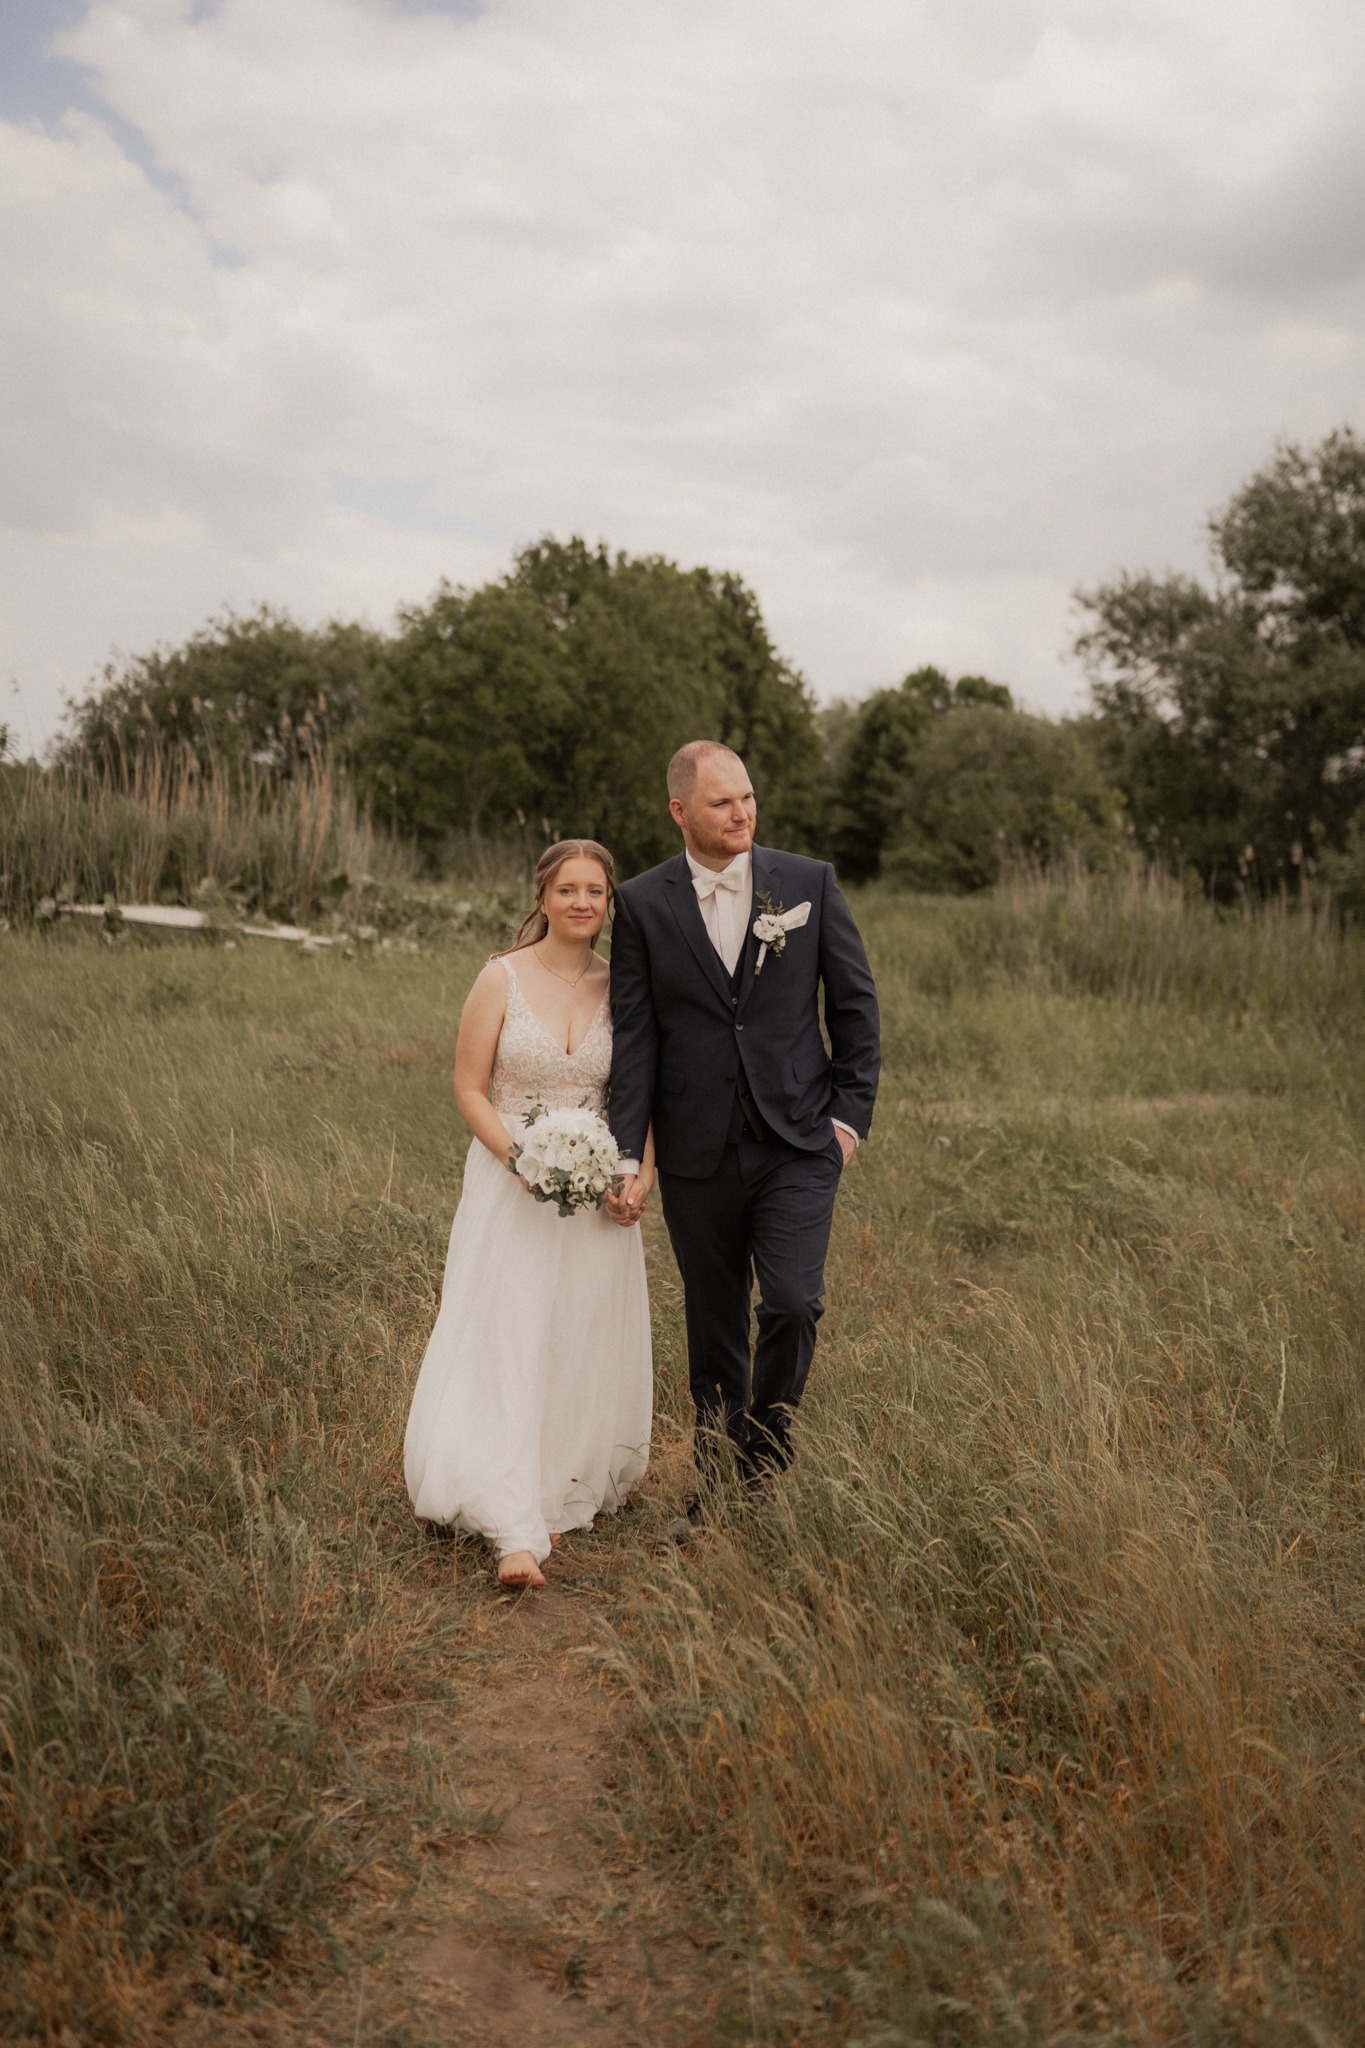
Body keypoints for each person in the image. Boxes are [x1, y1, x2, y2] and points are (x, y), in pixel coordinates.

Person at [606, 743, 879, 1511]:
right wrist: (627, 1153)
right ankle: (719, 1485)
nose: (741, 813)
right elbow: (635, 1038)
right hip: (695, 1147)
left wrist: (846, 1121)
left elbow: (854, 1007)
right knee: (714, 1324)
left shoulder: (807, 882)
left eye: (748, 797)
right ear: (680, 811)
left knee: (792, 1303)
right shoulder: (642, 903)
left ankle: (763, 1460)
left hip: (798, 1139)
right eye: (722, 802)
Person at [405, 840, 653, 1587]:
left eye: (595, 891)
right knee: (507, 1333)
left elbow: (638, 1093)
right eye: (568, 889)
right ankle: (509, 1522)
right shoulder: (500, 977)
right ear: (543, 896)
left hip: (594, 1188)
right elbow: (469, 1088)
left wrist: (637, 1175)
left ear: (609, 902)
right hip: (510, 1182)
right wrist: (520, 1160)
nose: (582, 903)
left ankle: (555, 1482)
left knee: (577, 1333)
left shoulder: (623, 984)